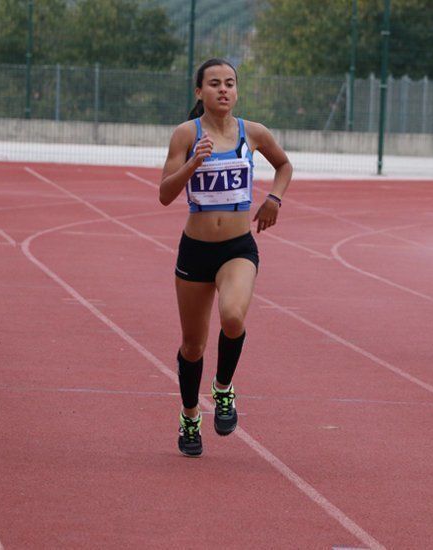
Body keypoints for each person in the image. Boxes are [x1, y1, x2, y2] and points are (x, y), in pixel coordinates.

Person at [159, 58, 293, 456]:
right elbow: (165, 194)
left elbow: (284, 165)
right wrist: (193, 164)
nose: (223, 90)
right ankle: (188, 416)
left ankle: (222, 389)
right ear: (199, 92)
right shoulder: (186, 134)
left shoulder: (252, 132)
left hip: (237, 247)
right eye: (214, 83)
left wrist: (274, 198)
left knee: (233, 317)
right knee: (193, 345)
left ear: (237, 91)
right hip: (196, 250)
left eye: (230, 83)